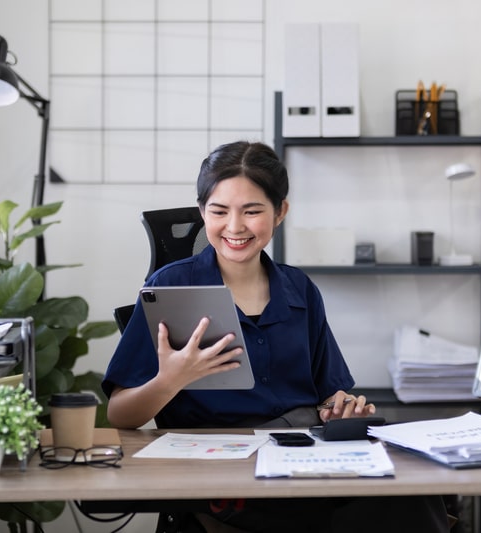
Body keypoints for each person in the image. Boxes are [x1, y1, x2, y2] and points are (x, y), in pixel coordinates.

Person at [102, 141, 451, 532]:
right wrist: (172, 379)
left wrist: (341, 407)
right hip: (220, 469)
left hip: (302, 454)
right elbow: (120, 414)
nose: (235, 226)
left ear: (280, 211)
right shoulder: (170, 286)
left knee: (410, 492)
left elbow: (328, 392)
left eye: (252, 211)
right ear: (202, 212)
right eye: (219, 212)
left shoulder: (299, 289)